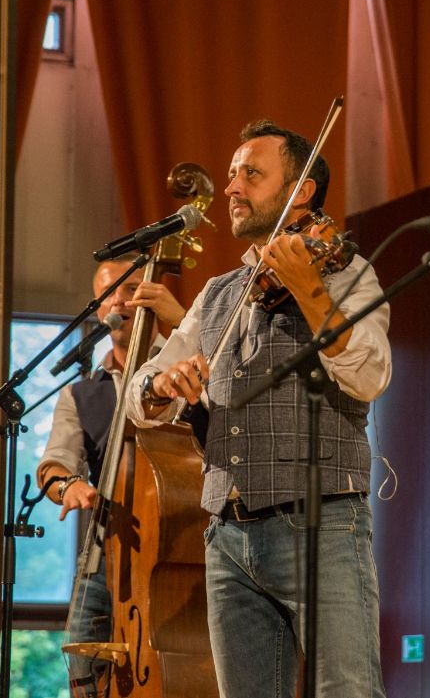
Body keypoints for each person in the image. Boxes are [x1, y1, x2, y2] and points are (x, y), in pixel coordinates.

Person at [125, 119, 391, 698]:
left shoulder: (345, 273)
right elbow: (137, 394)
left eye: (251, 173)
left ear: (301, 191)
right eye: (231, 174)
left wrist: (311, 292)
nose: (231, 187)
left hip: (322, 524)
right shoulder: (219, 291)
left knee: (347, 691)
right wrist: (162, 383)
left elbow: (370, 374)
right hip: (227, 534)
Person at [36, 256, 186, 696]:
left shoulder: (184, 363)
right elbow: (54, 465)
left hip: (178, 547)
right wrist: (70, 486)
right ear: (98, 308)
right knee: (84, 671)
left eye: (130, 289)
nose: (119, 300)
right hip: (106, 555)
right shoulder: (80, 393)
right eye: (108, 293)